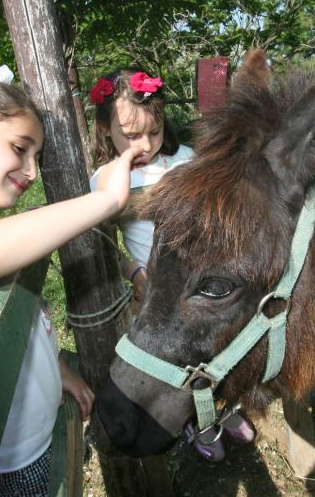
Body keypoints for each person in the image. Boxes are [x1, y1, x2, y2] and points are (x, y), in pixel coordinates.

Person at [0, 52, 145, 496]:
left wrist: (58, 370)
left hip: (28, 438)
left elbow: (25, 326)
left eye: (36, 155)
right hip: (6, 460)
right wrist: (104, 203)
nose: (33, 171)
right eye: (19, 148)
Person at [87, 68, 255, 462]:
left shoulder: (187, 160)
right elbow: (102, 249)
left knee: (214, 352)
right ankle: (200, 423)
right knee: (177, 364)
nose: (145, 143)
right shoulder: (105, 181)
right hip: (153, 295)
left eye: (155, 131)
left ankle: (226, 408)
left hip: (200, 286)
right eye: (131, 135)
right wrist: (133, 273)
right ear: (104, 129)